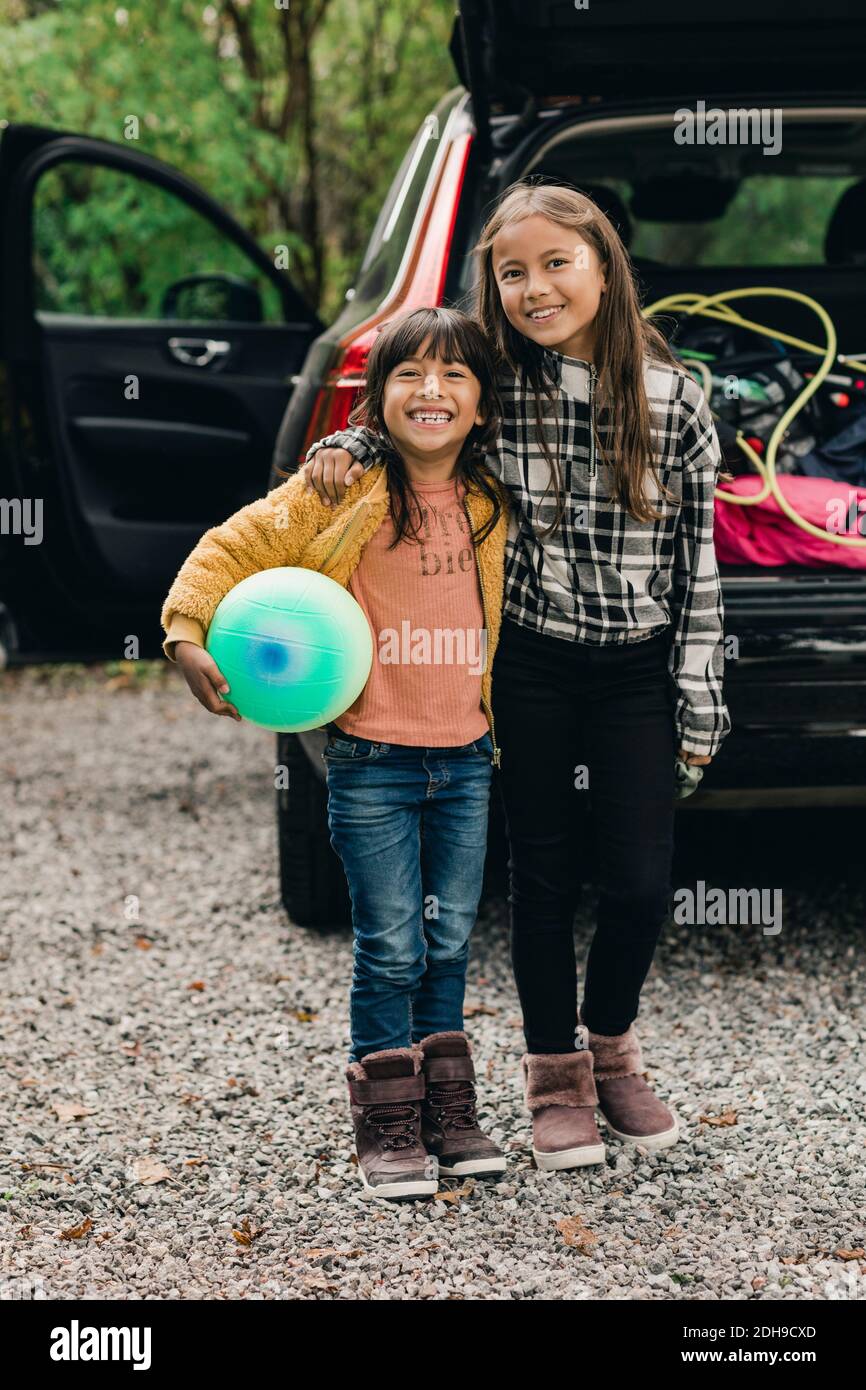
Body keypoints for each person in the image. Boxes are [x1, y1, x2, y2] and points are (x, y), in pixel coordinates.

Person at [301, 181, 732, 1171]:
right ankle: (551, 1073)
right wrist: (345, 442)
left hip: (633, 671)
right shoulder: (497, 385)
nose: (534, 287)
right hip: (528, 663)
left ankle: (610, 1044)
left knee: (636, 882)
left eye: (555, 263)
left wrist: (699, 699)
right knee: (539, 877)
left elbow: (698, 570)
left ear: (602, 269)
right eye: (511, 271)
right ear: (492, 287)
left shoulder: (673, 404)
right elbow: (417, 410)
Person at [159, 307, 511, 1201]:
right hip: (372, 760)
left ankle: (447, 1105)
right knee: (390, 942)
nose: (431, 391)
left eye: (455, 376)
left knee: (449, 936)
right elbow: (230, 547)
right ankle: (386, 1116)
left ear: (483, 404)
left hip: (467, 758)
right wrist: (186, 632)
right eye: (408, 376)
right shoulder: (337, 492)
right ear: (374, 399)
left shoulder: (497, 499)